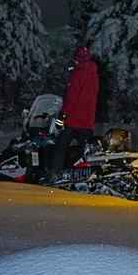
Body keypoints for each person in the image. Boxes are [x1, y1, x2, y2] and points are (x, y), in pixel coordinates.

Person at [46, 45, 100, 184]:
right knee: (85, 150)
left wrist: (62, 117)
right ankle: (87, 175)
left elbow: (71, 98)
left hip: (73, 120)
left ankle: (55, 174)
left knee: (60, 146)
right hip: (87, 121)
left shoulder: (78, 74)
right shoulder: (94, 74)